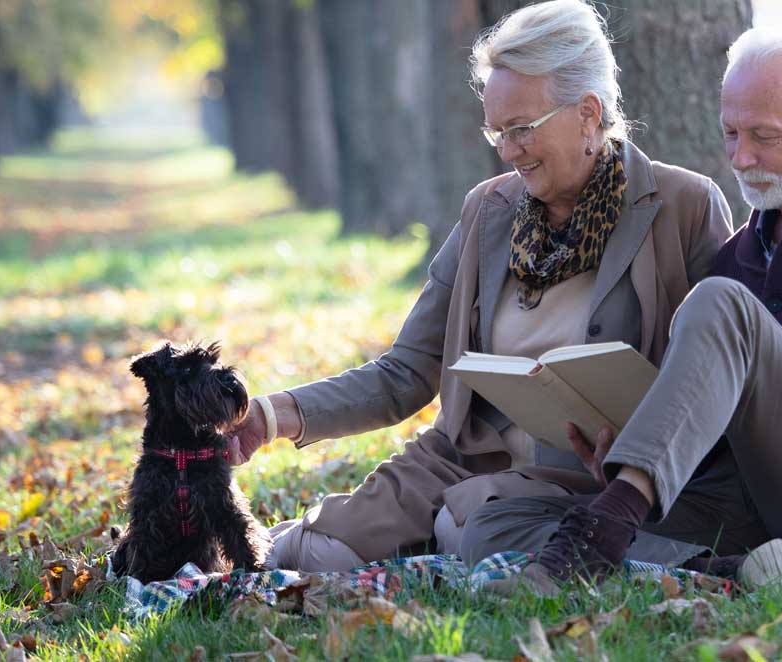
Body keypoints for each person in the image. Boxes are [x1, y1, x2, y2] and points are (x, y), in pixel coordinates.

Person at [458, 25, 782, 592]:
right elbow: (714, 401)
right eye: (730, 133)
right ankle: (731, 573)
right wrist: (637, 438)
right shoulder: (741, 252)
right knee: (498, 525)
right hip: (747, 499)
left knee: (720, 306)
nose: (740, 156)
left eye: (763, 136)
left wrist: (742, 379)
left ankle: (608, 528)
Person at [228, 0, 733, 572]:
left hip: (587, 480)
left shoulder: (684, 206)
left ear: (589, 112)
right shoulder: (488, 210)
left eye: (522, 129)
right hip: (460, 464)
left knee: (468, 530)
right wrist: (271, 416)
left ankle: (671, 560)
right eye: (497, 130)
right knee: (313, 551)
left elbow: (717, 374)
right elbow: (405, 371)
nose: (506, 149)